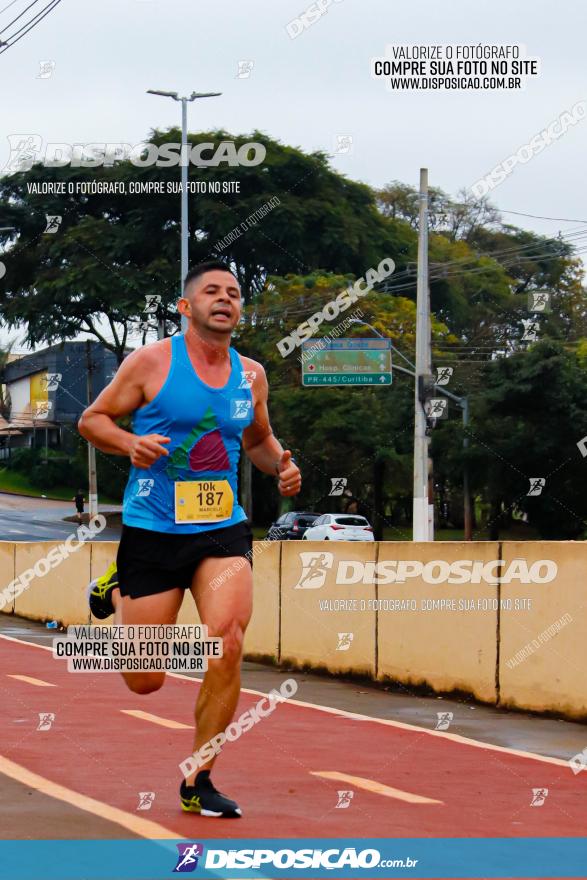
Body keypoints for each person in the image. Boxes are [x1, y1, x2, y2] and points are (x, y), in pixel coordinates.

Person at [78, 261, 301, 818]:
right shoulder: (151, 362)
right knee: (144, 680)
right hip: (153, 529)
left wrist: (280, 466)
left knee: (226, 640)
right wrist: (129, 444)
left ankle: (199, 778)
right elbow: (92, 420)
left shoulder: (251, 375)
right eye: (211, 291)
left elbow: (258, 439)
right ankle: (118, 584)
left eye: (233, 293)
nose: (224, 299)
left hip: (222, 529)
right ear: (185, 306)